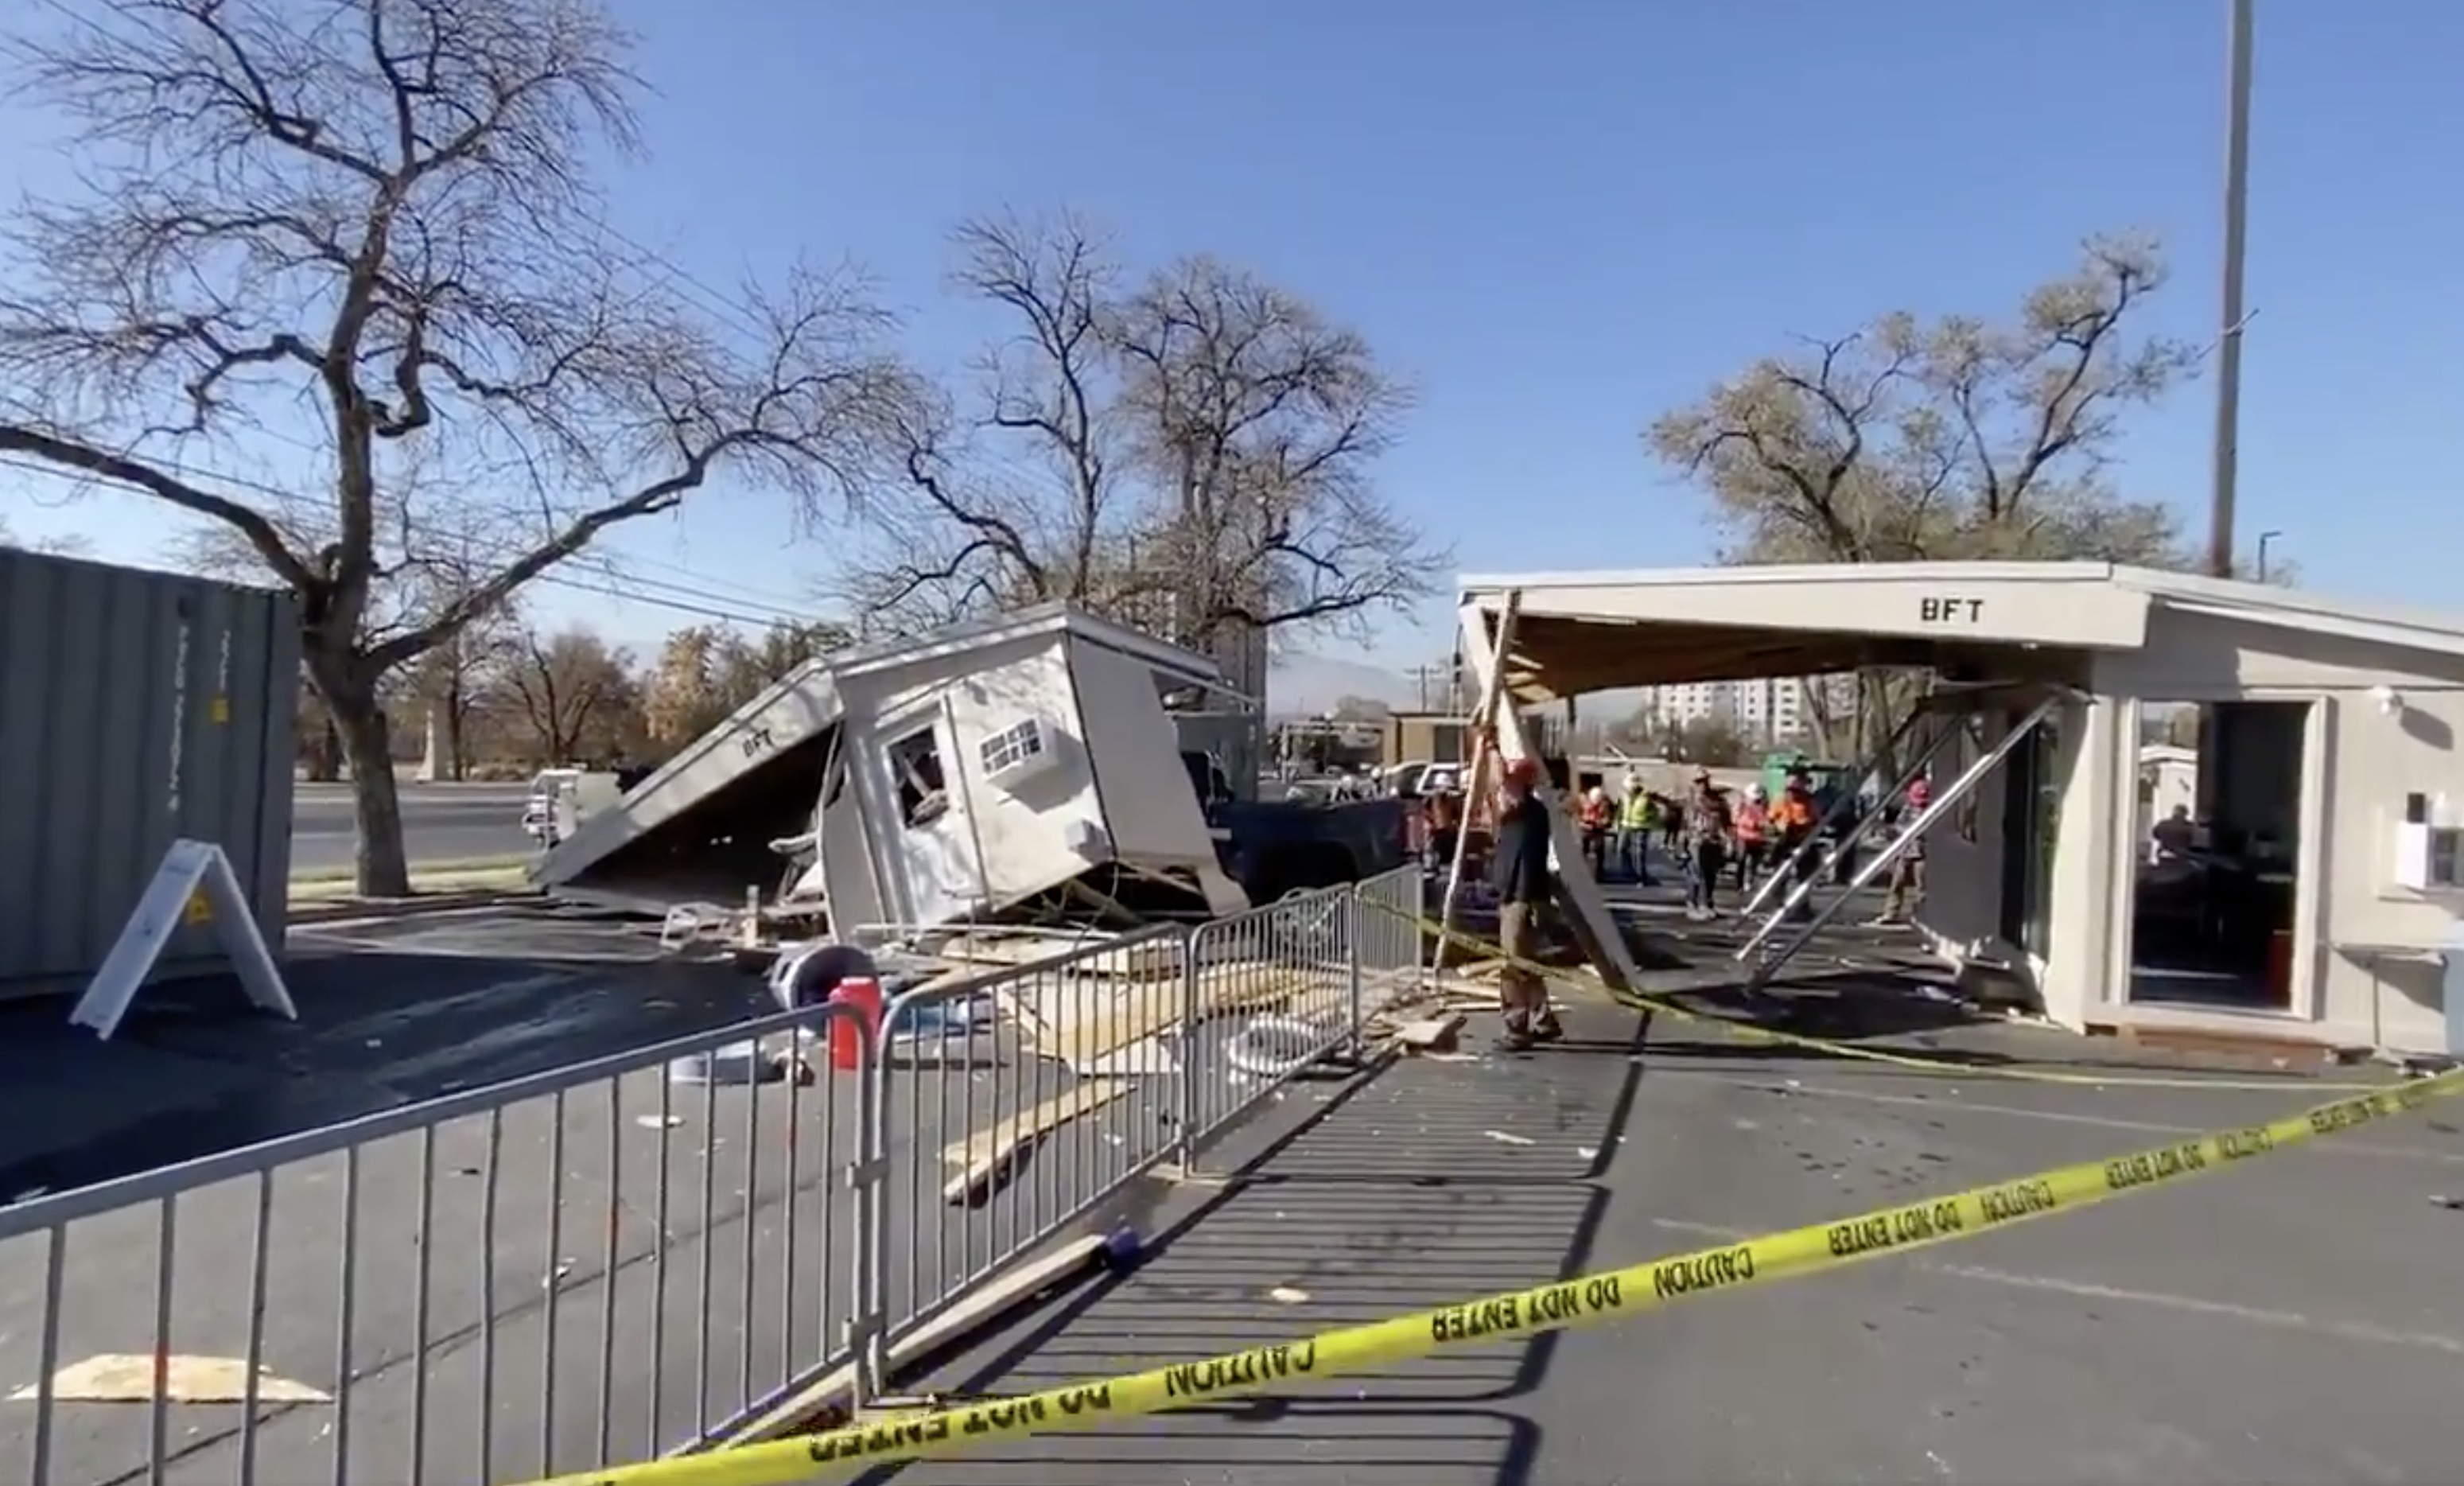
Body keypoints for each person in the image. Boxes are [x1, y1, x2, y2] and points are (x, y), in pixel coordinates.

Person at [1489, 756, 1564, 1049]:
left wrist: (1491, 745)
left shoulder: (1522, 811)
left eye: (1511, 782)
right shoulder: (1531, 812)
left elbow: (1497, 781)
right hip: (1525, 895)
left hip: (1519, 897)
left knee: (1512, 966)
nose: (1505, 787)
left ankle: (1517, 1025)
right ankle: (1544, 1020)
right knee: (1528, 963)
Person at [1878, 777, 1932, 926]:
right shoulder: (1907, 809)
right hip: (1906, 850)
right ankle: (1891, 912)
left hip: (1922, 853)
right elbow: (1898, 825)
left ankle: (1922, 916)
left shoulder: (1931, 809)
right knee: (1897, 882)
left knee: (1922, 887)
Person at [1770, 768, 1821, 922]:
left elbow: (1816, 820)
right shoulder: (1780, 801)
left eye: (1797, 790)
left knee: (1805, 875)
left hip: (1804, 839)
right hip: (1785, 839)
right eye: (1791, 790)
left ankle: (1803, 907)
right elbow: (1771, 819)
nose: (1794, 794)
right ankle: (1778, 906)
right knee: (1780, 875)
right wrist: (1780, 825)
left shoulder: (1809, 802)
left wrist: (1807, 829)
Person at [1681, 769, 1732, 919]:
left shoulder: (1718, 801)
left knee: (1711, 875)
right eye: (1698, 782)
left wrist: (1728, 840)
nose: (1701, 785)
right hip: (1697, 841)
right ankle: (1694, 904)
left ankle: (1708, 903)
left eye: (1704, 781)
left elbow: (1726, 822)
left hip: (1714, 841)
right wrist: (1683, 842)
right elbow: (1686, 824)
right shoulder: (1691, 802)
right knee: (1698, 873)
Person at [1617, 772, 1658, 885]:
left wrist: (1650, 821)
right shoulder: (1624, 796)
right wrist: (1617, 822)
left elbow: (1654, 812)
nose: (1629, 788)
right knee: (1622, 849)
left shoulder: (1646, 796)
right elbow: (1620, 809)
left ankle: (1641, 877)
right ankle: (1628, 872)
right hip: (1626, 825)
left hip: (1641, 827)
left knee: (1639, 853)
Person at [1731, 782, 1771, 890]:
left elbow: (1768, 819)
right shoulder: (1742, 805)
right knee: (1741, 860)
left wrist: (1766, 824)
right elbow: (1736, 819)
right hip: (1743, 836)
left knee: (1754, 862)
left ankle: (1750, 880)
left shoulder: (1765, 806)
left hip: (1758, 838)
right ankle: (1739, 883)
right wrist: (1751, 824)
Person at [1578, 781, 1614, 879]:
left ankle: (1599, 870)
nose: (1597, 800)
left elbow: (1608, 819)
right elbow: (1577, 818)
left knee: (1599, 848)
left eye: (1599, 798)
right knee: (1583, 848)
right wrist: (1584, 824)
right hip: (1586, 829)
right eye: (1595, 798)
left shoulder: (1604, 805)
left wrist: (1601, 823)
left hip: (1598, 829)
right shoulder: (1584, 804)